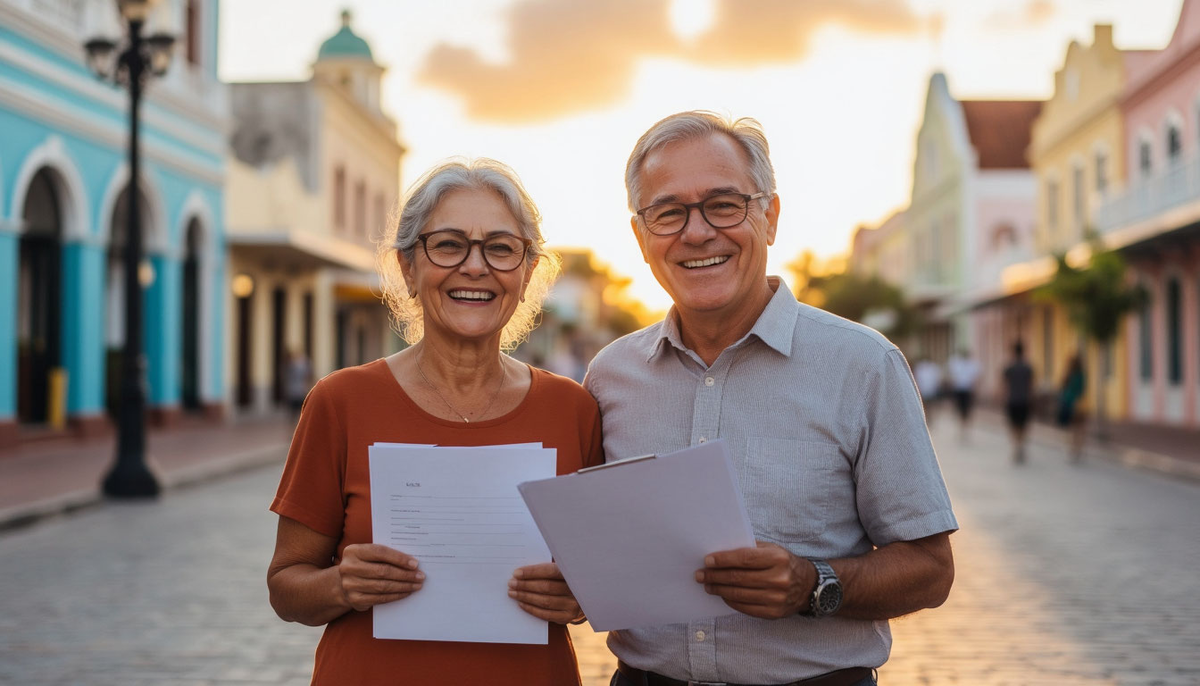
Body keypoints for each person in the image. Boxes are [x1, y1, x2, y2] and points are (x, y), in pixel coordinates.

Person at [585, 111, 957, 685]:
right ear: (641, 236)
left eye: (724, 204)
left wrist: (815, 584)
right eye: (668, 212)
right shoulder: (610, 376)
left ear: (770, 216)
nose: (697, 232)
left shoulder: (863, 365)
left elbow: (931, 571)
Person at [266, 159, 602, 686]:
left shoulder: (573, 410)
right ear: (407, 267)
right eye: (448, 245)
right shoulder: (340, 401)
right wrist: (341, 586)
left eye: (500, 247)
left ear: (527, 271)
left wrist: (579, 597)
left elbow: (603, 583)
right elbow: (287, 586)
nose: (475, 266)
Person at [1002, 341, 1034, 465]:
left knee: (1014, 425)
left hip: (1013, 400)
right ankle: (1021, 446)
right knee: (1023, 425)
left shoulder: (1009, 368)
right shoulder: (1028, 368)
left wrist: (1004, 397)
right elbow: (1031, 386)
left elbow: (1004, 385)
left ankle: (1016, 447)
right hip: (1024, 400)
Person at [1057, 354, 1087, 463]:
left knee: (1071, 429)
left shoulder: (1068, 374)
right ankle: (1077, 449)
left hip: (1068, 403)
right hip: (1078, 404)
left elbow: (1061, 388)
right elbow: (1083, 390)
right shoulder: (1081, 375)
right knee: (1079, 429)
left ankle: (1072, 449)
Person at [947, 348, 981, 442]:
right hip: (959, 390)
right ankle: (962, 429)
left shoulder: (972, 364)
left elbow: (976, 378)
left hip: (967, 390)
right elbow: (952, 377)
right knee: (960, 410)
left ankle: (965, 429)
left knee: (967, 411)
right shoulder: (956, 363)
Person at [913, 356, 943, 424]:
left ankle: (929, 418)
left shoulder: (931, 368)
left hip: (929, 389)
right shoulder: (920, 368)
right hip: (925, 389)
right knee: (926, 405)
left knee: (929, 405)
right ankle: (927, 417)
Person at [284, 348, 312, 418]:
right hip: (298, 390)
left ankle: (295, 426)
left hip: (296, 391)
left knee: (295, 412)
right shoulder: (293, 364)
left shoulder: (293, 364)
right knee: (298, 412)